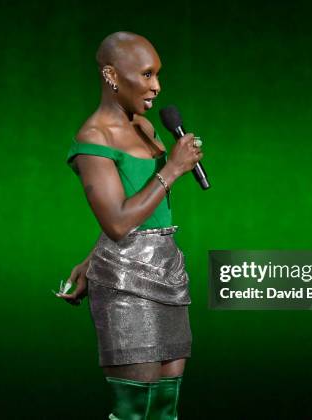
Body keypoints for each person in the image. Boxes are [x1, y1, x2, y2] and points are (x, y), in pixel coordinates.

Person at [57, 31, 203, 419]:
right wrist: (172, 169)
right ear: (112, 76)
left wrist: (91, 260)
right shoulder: (94, 139)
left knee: (166, 405)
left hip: (168, 273)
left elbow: (142, 213)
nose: (156, 86)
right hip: (125, 283)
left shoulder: (146, 127)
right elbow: (119, 223)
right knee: (135, 409)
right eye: (146, 74)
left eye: (158, 75)